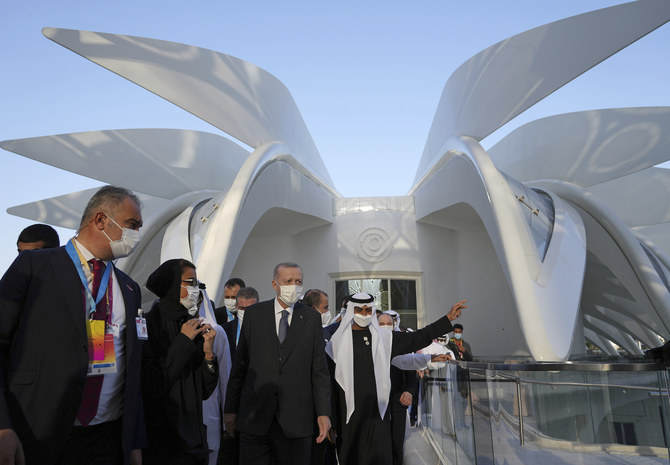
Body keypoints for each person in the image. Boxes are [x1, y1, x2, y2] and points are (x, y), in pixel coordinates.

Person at [0, 185, 145, 465]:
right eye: (132, 225)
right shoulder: (34, 267)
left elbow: (134, 367)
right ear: (101, 220)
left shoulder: (129, 288)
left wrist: (134, 441)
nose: (136, 235)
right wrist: (2, 425)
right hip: (37, 432)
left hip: (107, 439)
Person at [325, 293, 467, 465]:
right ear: (350, 311)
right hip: (347, 416)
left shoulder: (385, 339)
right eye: (359, 310)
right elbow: (328, 386)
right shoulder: (335, 344)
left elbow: (418, 338)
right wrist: (329, 419)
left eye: (367, 310)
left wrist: (447, 319)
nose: (363, 314)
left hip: (378, 413)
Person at [224, 262, 331, 465]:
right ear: (275, 284)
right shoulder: (254, 315)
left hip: (296, 422)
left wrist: (324, 412)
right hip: (255, 418)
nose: (294, 286)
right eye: (288, 281)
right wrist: (230, 409)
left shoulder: (311, 318)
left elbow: (319, 370)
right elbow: (240, 366)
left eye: (298, 281)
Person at [142, 259, 218, 464]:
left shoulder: (192, 324)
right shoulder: (149, 325)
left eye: (197, 284)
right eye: (189, 282)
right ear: (172, 284)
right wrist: (183, 342)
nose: (195, 289)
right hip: (162, 439)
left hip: (193, 436)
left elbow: (203, 390)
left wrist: (209, 355)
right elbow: (152, 383)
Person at [219, 286, 259, 465]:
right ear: (236, 307)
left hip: (257, 402)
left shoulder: (267, 331)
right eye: (242, 308)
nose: (246, 312)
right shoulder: (224, 330)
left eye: (250, 308)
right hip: (230, 398)